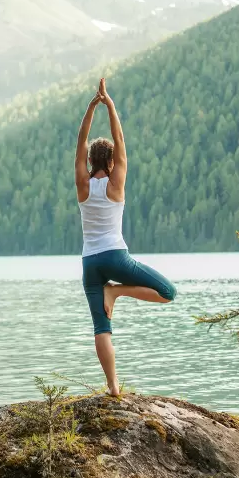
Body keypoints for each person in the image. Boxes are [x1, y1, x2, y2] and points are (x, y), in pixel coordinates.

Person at [75, 78, 178, 397]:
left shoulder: (82, 185)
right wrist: (111, 105)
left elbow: (80, 143)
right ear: (111, 161)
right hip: (116, 257)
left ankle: (113, 387)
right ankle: (116, 293)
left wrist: (91, 108)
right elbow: (120, 141)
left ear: (91, 162)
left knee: (101, 328)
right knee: (167, 292)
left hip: (90, 262)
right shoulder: (115, 184)